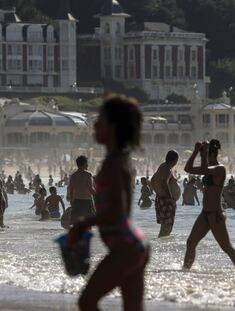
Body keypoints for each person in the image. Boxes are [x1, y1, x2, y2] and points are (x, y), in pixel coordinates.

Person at [69, 95, 149, 311]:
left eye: (100, 120)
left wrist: (83, 224)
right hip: (135, 244)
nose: (95, 124)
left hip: (125, 247)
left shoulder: (114, 163)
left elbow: (117, 210)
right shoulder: (120, 159)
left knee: (87, 302)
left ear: (113, 127)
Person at [183, 140, 235, 270]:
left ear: (212, 155)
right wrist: (195, 152)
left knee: (226, 247)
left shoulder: (220, 169)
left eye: (206, 156)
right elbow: (187, 169)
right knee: (190, 243)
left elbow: (205, 169)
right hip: (205, 213)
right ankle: (185, 270)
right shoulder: (209, 169)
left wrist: (203, 155)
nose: (205, 159)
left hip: (216, 215)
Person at [151, 150, 179, 237]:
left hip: (161, 199)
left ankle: (161, 245)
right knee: (167, 227)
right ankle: (161, 247)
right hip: (166, 200)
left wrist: (157, 192)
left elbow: (152, 180)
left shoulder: (162, 166)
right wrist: (170, 197)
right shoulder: (167, 168)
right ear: (174, 160)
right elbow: (164, 182)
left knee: (166, 227)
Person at [67, 156, 96, 225]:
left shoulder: (73, 175)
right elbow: (90, 188)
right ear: (84, 164)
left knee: (76, 224)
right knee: (88, 224)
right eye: (87, 163)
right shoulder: (88, 174)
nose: (88, 165)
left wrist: (71, 201)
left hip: (76, 201)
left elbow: (71, 190)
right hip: (87, 201)